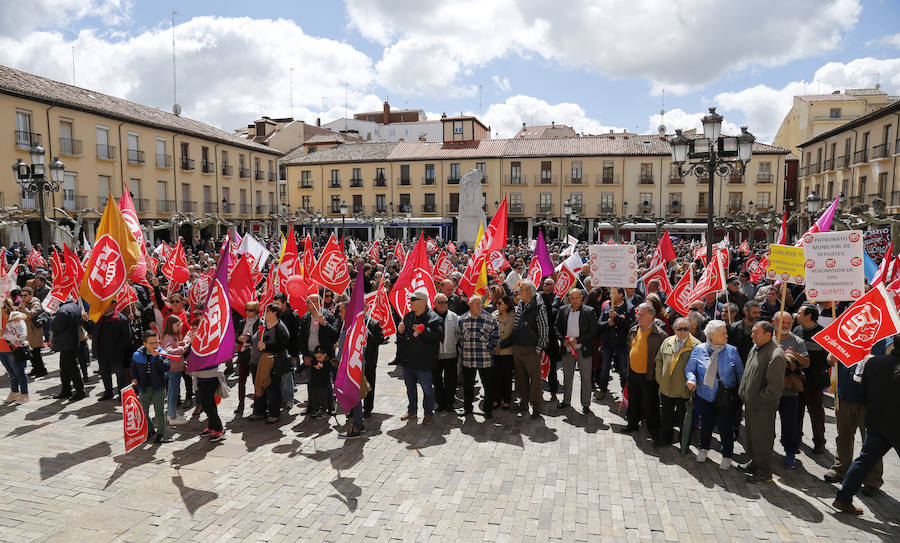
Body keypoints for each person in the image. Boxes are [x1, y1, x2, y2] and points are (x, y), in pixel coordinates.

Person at [832, 348, 900, 515]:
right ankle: (844, 498)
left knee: (864, 460)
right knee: (865, 459)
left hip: (876, 420)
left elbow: (863, 391)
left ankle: (843, 498)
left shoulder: (874, 362)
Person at [685, 320, 744, 469]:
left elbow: (741, 374)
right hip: (705, 396)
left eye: (725, 332)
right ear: (712, 335)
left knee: (725, 427)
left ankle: (727, 455)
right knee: (706, 424)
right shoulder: (699, 349)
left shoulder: (732, 350)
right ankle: (703, 448)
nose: (726, 335)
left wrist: (741, 395)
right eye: (723, 333)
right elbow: (690, 369)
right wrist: (691, 379)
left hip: (725, 398)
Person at [823, 354, 883, 494]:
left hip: (869, 400)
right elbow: (830, 359)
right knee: (843, 435)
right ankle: (840, 468)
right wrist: (830, 359)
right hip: (845, 394)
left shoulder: (882, 340)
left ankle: (872, 480)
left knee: (871, 442)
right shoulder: (845, 336)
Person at [737, 321, 786, 484]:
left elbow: (774, 388)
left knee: (762, 440)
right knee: (751, 438)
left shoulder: (775, 355)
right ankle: (754, 463)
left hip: (762, 408)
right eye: (752, 332)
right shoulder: (756, 347)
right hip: (751, 405)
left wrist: (757, 399)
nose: (752, 336)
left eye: (756, 333)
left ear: (768, 335)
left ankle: (764, 472)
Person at [501, 279, 548, 418]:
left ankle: (537, 407)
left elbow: (544, 329)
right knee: (521, 379)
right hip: (518, 348)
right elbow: (516, 325)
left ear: (528, 292)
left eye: (520, 289)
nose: (517, 292)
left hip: (532, 349)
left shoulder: (539, 306)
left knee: (535, 381)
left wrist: (538, 349)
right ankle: (524, 403)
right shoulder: (521, 303)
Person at [620, 303, 667, 440]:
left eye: (641, 314)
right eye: (638, 313)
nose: (638, 316)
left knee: (651, 403)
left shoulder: (660, 335)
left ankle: (653, 429)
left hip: (649, 375)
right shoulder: (634, 330)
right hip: (633, 373)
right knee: (633, 401)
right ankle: (632, 424)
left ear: (651, 316)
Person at [397, 290, 443, 424]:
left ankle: (428, 413)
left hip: (424, 363)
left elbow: (439, 337)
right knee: (410, 388)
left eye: (413, 300)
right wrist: (400, 332)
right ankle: (412, 410)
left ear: (422, 302)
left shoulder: (434, 318)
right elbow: (402, 337)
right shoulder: (408, 316)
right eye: (410, 300)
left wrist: (424, 331)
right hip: (408, 361)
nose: (410, 302)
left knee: (427, 389)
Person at [654, 317, 700, 445]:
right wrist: (659, 376)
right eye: (679, 329)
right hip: (666, 388)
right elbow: (659, 359)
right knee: (666, 416)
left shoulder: (697, 345)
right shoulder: (667, 341)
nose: (683, 332)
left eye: (686, 329)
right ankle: (665, 438)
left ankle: (684, 441)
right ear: (674, 329)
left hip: (683, 390)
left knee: (683, 418)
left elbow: (699, 368)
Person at [772, 310, 809, 469]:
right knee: (767, 423)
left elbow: (806, 362)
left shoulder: (798, 342)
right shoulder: (767, 338)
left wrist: (792, 357)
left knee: (790, 424)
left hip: (788, 391)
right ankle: (766, 449)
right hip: (770, 390)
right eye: (782, 323)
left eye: (788, 323)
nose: (785, 326)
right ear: (774, 323)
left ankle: (790, 452)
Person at [555, 288, 597, 414]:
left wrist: (578, 340)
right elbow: (556, 327)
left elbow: (593, 331)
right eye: (572, 298)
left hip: (583, 349)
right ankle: (566, 400)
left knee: (585, 377)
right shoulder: (563, 310)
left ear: (581, 298)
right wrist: (563, 340)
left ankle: (585, 404)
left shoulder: (589, 311)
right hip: (567, 350)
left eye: (576, 298)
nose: (574, 300)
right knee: (567, 377)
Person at [456, 296, 499, 418]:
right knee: (468, 386)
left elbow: (495, 337)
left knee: (488, 386)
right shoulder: (462, 319)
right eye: (475, 304)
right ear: (469, 304)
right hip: (468, 359)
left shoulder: (490, 319)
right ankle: (468, 409)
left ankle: (488, 409)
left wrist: (488, 350)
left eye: (480, 304)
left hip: (485, 360)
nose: (479, 306)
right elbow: (459, 337)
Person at [793, 304, 828, 454]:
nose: (796, 315)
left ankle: (819, 441)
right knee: (796, 410)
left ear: (808, 316)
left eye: (799, 313)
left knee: (816, 412)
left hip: (814, 379)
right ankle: (796, 438)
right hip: (798, 378)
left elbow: (827, 358)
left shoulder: (822, 334)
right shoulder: (797, 330)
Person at [298, 294, 340, 418]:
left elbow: (334, 335)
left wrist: (325, 324)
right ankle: (311, 406)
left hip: (323, 355)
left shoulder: (328, 316)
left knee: (325, 382)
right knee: (310, 380)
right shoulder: (306, 317)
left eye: (308, 302)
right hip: (310, 354)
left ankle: (328, 407)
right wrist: (305, 355)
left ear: (317, 303)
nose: (306, 304)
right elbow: (302, 338)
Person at [130, 330, 172, 444]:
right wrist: (134, 377)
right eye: (151, 343)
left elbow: (166, 367)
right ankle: (150, 430)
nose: (155, 345)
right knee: (143, 411)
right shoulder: (137, 355)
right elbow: (133, 368)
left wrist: (158, 358)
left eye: (156, 342)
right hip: (144, 388)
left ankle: (161, 433)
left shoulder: (162, 353)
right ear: (144, 343)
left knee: (159, 412)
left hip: (158, 388)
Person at [251, 303, 291, 423]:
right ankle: (260, 411)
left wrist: (267, 346)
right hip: (257, 362)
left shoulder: (280, 329)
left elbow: (282, 346)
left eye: (268, 311)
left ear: (275, 313)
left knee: (273, 388)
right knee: (259, 386)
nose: (265, 313)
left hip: (272, 363)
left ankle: (274, 413)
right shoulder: (262, 325)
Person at [597, 287, 632, 399]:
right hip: (607, 343)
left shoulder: (629, 308)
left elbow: (629, 326)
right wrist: (608, 323)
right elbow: (599, 324)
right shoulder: (606, 306)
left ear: (621, 295)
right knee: (604, 368)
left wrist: (616, 318)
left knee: (623, 369)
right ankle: (603, 389)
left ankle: (625, 392)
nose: (611, 295)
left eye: (614, 293)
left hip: (621, 344)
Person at [50, 297, 86, 401]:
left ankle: (80, 391)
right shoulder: (75, 306)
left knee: (72, 368)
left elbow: (55, 326)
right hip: (72, 341)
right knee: (64, 368)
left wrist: (52, 318)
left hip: (66, 343)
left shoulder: (62, 311)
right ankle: (66, 390)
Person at [93, 305, 133, 401]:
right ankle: (108, 392)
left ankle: (121, 394)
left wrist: (118, 349)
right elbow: (92, 330)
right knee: (104, 373)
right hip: (102, 352)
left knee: (120, 375)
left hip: (116, 353)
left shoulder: (121, 318)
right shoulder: (99, 317)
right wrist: (85, 321)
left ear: (113, 305)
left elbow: (127, 336)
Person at [160, 315, 191, 425]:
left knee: (173, 392)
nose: (179, 327)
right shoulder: (169, 336)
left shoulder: (171, 335)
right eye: (177, 325)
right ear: (170, 325)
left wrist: (181, 343)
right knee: (173, 393)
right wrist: (183, 348)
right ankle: (172, 416)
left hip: (175, 367)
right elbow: (169, 351)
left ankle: (172, 413)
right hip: (173, 368)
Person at [432, 293, 460, 414]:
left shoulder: (454, 317)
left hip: (450, 354)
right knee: (436, 381)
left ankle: (449, 403)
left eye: (445, 302)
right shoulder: (429, 316)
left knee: (451, 380)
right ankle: (440, 403)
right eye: (440, 302)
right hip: (435, 355)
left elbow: (458, 335)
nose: (443, 305)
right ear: (434, 303)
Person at [491, 295, 516, 410]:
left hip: (509, 351)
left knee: (507, 377)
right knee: (496, 377)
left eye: (500, 303)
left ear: (507, 305)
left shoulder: (515, 316)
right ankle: (496, 399)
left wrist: (502, 345)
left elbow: (515, 334)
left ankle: (507, 400)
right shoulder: (493, 315)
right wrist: (495, 345)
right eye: (497, 303)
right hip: (496, 351)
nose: (497, 305)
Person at [2, 309, 29, 404]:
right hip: (2, 350)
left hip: (13, 350)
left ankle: (24, 394)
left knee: (20, 372)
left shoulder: (16, 318)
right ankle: (14, 392)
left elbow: (22, 335)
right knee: (11, 373)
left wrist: (5, 335)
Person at [18, 287, 47, 378]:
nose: (23, 297)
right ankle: (35, 368)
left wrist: (22, 308)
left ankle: (41, 370)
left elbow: (31, 314)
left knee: (36, 352)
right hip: (26, 330)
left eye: (25, 295)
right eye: (21, 295)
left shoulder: (36, 303)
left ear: (31, 294)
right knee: (30, 352)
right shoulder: (24, 303)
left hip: (34, 330)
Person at [361, 316, 384, 419]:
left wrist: (368, 334)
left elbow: (380, 340)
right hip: (356, 360)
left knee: (369, 383)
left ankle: (367, 408)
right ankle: (354, 408)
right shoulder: (352, 321)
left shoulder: (374, 323)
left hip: (369, 360)